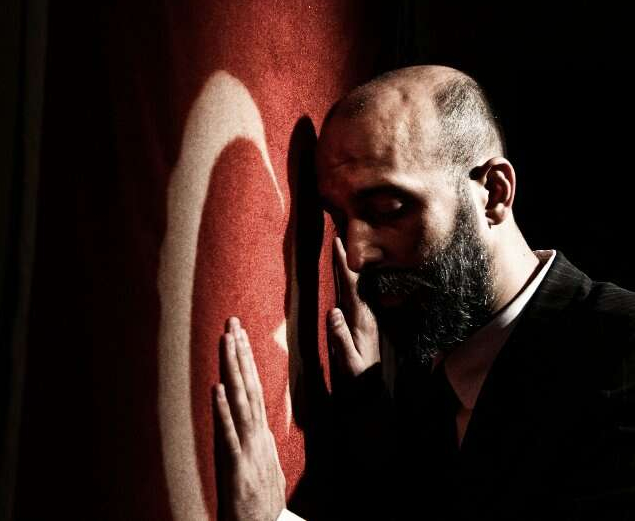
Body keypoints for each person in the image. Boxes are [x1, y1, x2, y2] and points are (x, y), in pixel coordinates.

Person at [212, 65, 635, 520]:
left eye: (388, 209)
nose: (356, 254)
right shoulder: (420, 378)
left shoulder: (620, 356)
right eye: (339, 218)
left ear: (493, 194)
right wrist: (375, 442)